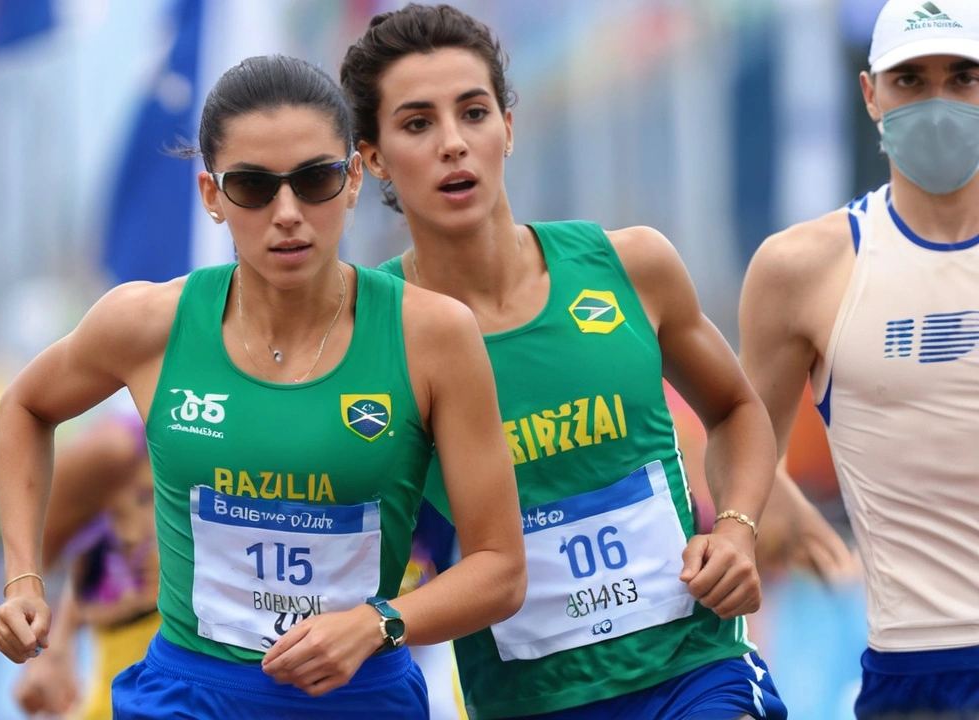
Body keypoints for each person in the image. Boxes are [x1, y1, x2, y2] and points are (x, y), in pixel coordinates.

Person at [0, 54, 526, 720]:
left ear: (353, 178)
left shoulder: (432, 334)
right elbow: (26, 406)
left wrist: (377, 623)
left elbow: (500, 568)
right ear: (212, 196)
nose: (288, 212)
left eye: (315, 179)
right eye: (253, 187)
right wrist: (22, 579)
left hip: (360, 700)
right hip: (187, 697)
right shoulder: (147, 322)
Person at [340, 5, 786, 719]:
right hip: (528, 700)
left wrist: (735, 527)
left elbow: (735, 410)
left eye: (474, 113)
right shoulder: (370, 336)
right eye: (418, 124)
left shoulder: (631, 265)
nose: (454, 143)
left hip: (694, 672)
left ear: (509, 128)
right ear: (374, 159)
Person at [739, 0, 979, 716]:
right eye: (911, 81)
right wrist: (778, 518)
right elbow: (737, 449)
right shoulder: (805, 269)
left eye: (962, 77)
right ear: (870, 94)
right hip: (916, 673)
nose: (938, 104)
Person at [14, 414, 161, 720]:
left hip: (181, 649)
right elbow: (74, 550)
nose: (134, 533)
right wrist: (54, 650)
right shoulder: (115, 445)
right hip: (120, 656)